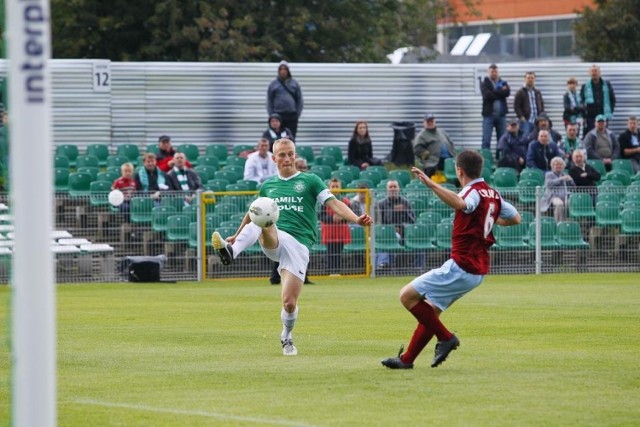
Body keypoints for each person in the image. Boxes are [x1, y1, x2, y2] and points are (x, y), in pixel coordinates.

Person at [211, 138, 372, 356]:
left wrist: (356, 219)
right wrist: (237, 236)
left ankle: (286, 336)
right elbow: (253, 213)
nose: (287, 158)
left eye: (291, 154)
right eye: (282, 155)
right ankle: (232, 252)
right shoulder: (268, 185)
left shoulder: (310, 180)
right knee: (261, 213)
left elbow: (334, 204)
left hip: (299, 245)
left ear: (294, 156)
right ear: (274, 158)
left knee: (288, 303)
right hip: (275, 237)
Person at [381, 150, 521, 369]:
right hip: (478, 270)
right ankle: (407, 360)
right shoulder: (492, 193)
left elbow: (460, 203)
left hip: (463, 266)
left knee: (407, 296)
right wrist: (492, 220)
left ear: (459, 170)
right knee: (431, 313)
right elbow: (515, 218)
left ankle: (446, 338)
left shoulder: (472, 192)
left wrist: (431, 184)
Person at [376, 179, 416, 270]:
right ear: (387, 189)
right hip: (387, 233)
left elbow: (413, 220)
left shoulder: (405, 202)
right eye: (390, 187)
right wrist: (391, 229)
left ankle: (417, 268)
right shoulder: (381, 203)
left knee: (419, 238)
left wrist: (404, 211)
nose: (393, 189)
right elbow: (379, 222)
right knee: (392, 237)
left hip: (405, 232)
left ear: (398, 189)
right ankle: (384, 264)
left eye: (395, 187)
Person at [319, 179, 351, 275]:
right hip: (329, 231)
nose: (335, 188)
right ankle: (330, 271)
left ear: (340, 187)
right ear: (329, 187)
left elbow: (350, 215)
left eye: (337, 186)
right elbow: (321, 216)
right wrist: (332, 218)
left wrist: (342, 218)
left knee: (338, 252)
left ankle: (337, 271)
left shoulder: (345, 201)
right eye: (333, 186)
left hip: (341, 231)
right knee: (330, 252)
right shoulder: (324, 201)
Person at [266, 61, 303, 138]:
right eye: (281, 69)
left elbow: (299, 100)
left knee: (291, 136)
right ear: (278, 71)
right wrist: (271, 115)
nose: (283, 71)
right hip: (278, 115)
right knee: (276, 137)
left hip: (291, 115)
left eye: (285, 69)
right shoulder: (273, 84)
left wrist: (297, 114)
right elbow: (269, 101)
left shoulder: (294, 83)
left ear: (288, 71)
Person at [480, 63, 510, 151]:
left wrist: (494, 91)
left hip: (501, 115)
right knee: (486, 139)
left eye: (495, 71)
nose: (494, 73)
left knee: (502, 139)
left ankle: (499, 159)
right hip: (489, 115)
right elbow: (487, 95)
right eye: (492, 71)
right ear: (488, 72)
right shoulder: (484, 83)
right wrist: (500, 92)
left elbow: (507, 93)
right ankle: (485, 159)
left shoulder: (503, 82)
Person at [581, 64, 616, 136]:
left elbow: (613, 99)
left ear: (599, 72)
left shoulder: (607, 84)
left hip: (604, 115)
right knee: (592, 136)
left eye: (596, 71)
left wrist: (610, 111)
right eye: (592, 71)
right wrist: (584, 116)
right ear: (589, 73)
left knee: (604, 135)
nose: (594, 73)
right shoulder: (585, 86)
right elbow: (581, 102)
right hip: (591, 118)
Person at [541, 157, 575, 223]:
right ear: (553, 166)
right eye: (556, 164)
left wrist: (571, 180)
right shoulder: (549, 174)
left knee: (573, 203)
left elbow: (573, 187)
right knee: (559, 204)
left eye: (560, 164)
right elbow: (549, 184)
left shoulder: (565, 175)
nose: (558, 166)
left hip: (565, 197)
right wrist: (561, 179)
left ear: (563, 166)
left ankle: (569, 224)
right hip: (553, 197)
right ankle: (559, 223)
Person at [514, 71, 545, 137]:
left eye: (532, 78)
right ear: (525, 79)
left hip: (537, 121)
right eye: (528, 78)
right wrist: (521, 117)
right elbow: (516, 106)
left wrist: (541, 117)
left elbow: (542, 105)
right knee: (525, 138)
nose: (530, 79)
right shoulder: (520, 92)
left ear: (534, 79)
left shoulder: (537, 92)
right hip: (527, 121)